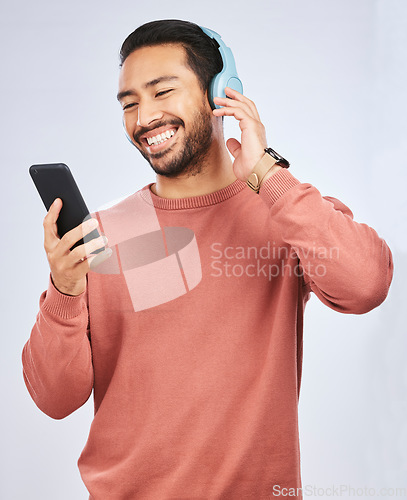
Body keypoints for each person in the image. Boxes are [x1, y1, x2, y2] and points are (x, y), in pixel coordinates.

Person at [22, 19, 394, 500]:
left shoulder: (283, 211)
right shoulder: (101, 236)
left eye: (162, 92)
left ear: (222, 93)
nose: (143, 118)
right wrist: (64, 290)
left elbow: (367, 283)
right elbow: (53, 398)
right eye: (129, 103)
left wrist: (266, 174)